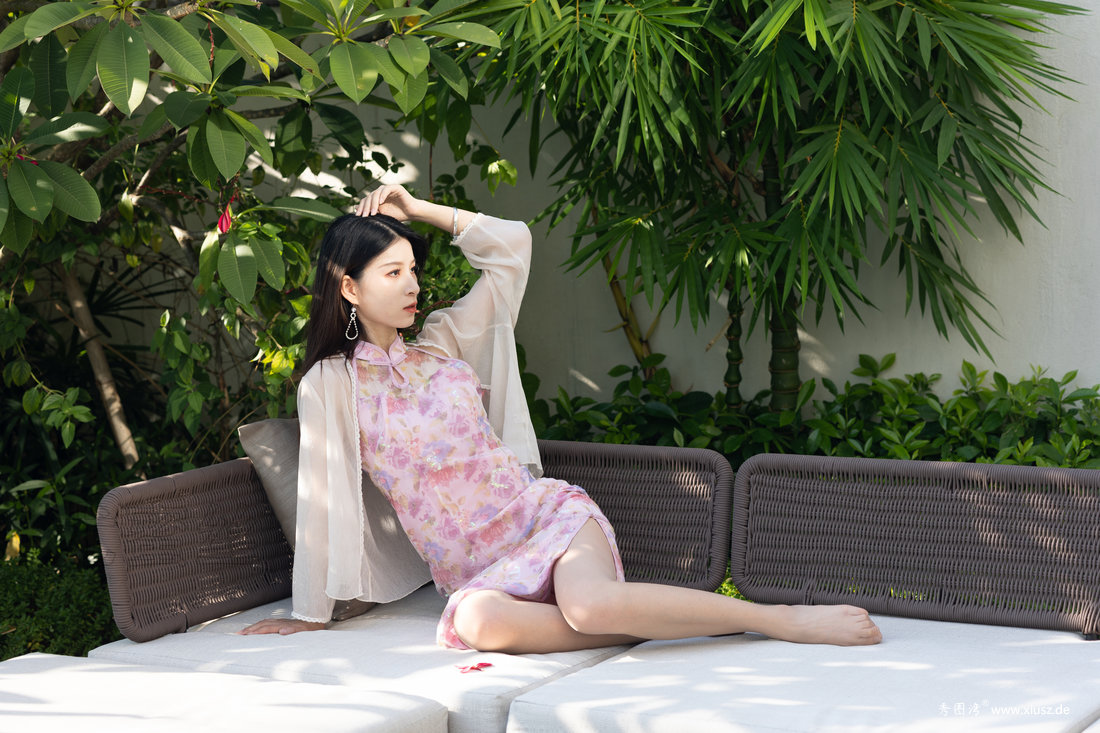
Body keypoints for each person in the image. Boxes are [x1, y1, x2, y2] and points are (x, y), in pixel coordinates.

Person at [241, 185, 883, 652]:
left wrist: (419, 210)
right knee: (477, 624)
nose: (412, 285)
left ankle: (776, 620)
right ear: (349, 287)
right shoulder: (331, 384)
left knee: (590, 604)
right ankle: (645, 624)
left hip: (545, 519)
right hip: (477, 575)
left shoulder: (443, 341)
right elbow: (323, 496)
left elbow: (512, 247)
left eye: (413, 269)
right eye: (393, 272)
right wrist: (311, 613)